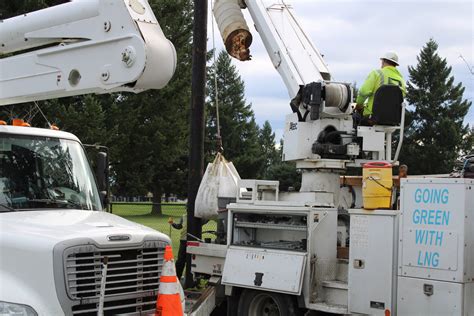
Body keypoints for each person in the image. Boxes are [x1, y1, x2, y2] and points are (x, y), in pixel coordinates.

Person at [354, 52, 407, 125]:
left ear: (384, 61)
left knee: (354, 119)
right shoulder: (401, 80)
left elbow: (364, 92)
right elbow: (401, 98)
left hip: (372, 118)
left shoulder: (376, 73)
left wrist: (359, 105)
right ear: (395, 65)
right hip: (393, 120)